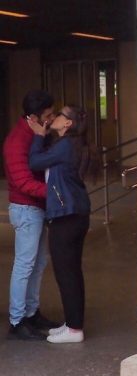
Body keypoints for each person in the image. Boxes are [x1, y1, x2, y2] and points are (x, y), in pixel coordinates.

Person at [28, 105, 91, 344]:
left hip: (67, 215)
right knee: (71, 271)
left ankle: (74, 329)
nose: (55, 118)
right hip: (74, 213)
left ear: (68, 124)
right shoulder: (68, 144)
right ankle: (72, 323)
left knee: (67, 273)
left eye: (61, 116)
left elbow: (34, 162)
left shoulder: (65, 145)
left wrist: (38, 135)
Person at [3, 90, 59, 340]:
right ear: (33, 117)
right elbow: (23, 182)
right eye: (47, 115)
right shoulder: (17, 141)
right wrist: (56, 192)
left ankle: (31, 312)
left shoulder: (36, 135)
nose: (51, 118)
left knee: (38, 263)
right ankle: (17, 320)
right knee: (24, 265)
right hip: (26, 209)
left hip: (37, 207)